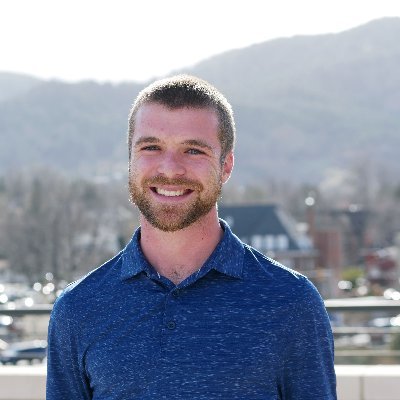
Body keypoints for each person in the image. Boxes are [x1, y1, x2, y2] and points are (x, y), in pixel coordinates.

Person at [47, 75, 337, 399]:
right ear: (130, 160)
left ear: (226, 166)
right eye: (151, 147)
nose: (170, 169)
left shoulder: (292, 302)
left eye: (193, 150)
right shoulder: (78, 309)